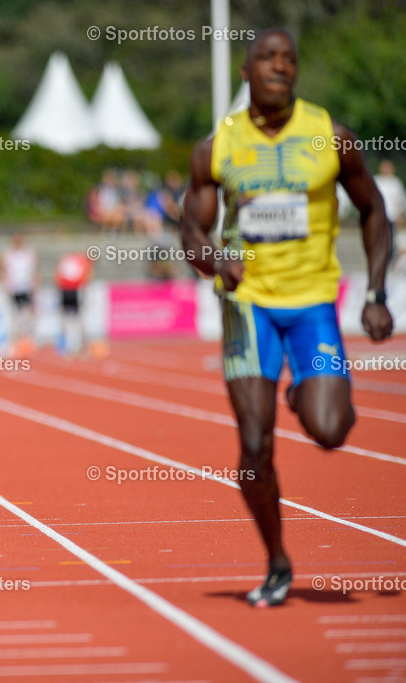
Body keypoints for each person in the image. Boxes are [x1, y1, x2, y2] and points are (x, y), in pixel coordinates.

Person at [181, 29, 393, 608]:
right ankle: (277, 560)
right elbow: (191, 230)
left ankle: (306, 392)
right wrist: (215, 257)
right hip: (247, 305)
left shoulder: (331, 136)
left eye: (290, 59)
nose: (281, 66)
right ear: (245, 72)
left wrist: (376, 291)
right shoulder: (217, 148)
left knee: (331, 431)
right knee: (254, 443)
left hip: (312, 303)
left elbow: (374, 210)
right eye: (268, 59)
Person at [0, 233, 38, 356]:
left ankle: (27, 340)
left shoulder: (29, 253)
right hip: (14, 288)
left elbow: (35, 269)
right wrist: (4, 286)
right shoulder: (8, 254)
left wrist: (36, 285)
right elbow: (3, 269)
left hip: (26, 287)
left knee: (27, 315)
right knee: (14, 316)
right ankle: (15, 343)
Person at [374, 160, 405, 266]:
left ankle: (390, 259)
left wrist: (400, 216)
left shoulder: (395, 183)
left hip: (391, 216)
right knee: (378, 237)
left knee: (390, 239)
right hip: (379, 215)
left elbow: (399, 201)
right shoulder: (377, 181)